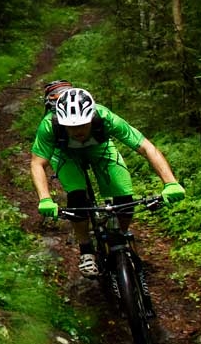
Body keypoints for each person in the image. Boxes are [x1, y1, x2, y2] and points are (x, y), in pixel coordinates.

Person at [29, 84, 185, 277]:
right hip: (65, 155)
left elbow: (146, 147)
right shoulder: (49, 125)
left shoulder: (105, 117)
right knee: (77, 198)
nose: (78, 130)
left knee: (124, 196)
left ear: (91, 117)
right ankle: (86, 251)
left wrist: (170, 183)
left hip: (100, 149)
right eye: (71, 126)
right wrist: (45, 198)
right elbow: (38, 163)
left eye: (82, 125)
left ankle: (120, 236)